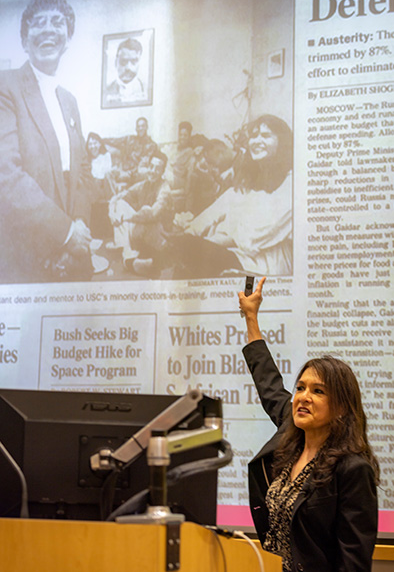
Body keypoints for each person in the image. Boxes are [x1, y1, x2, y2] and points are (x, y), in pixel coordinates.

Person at [238, 276, 379, 572]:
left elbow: (354, 560)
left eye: (318, 391)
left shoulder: (353, 469)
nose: (303, 397)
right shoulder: (291, 437)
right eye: (301, 387)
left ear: (341, 407)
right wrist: (251, 317)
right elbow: (269, 384)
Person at [0, 0, 93, 284]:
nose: (49, 29)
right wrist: (67, 232)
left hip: (61, 255)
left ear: (68, 39)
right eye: (39, 23)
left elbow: (82, 171)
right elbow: (2, 177)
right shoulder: (0, 85)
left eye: (57, 22)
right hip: (9, 255)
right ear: (25, 41)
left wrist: (80, 222)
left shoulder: (69, 101)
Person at [178, 114, 293, 276]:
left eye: (266, 136)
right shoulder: (250, 181)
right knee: (186, 251)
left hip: (268, 264)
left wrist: (214, 236)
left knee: (191, 253)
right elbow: (223, 204)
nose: (257, 140)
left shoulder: (291, 184)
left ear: (283, 142)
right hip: (240, 254)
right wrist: (192, 231)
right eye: (254, 136)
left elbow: (255, 236)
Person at [108, 152, 173, 277]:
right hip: (142, 233)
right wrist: (112, 213)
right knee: (120, 204)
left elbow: (152, 214)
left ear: (162, 172)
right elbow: (117, 197)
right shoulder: (143, 185)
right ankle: (129, 255)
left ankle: (130, 259)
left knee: (145, 209)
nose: (153, 171)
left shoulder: (165, 189)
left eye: (157, 169)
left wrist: (125, 218)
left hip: (160, 236)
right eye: (151, 167)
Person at [104, 38, 145, 105]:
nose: (128, 67)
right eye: (123, 61)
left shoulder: (146, 90)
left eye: (133, 61)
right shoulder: (106, 91)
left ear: (139, 63)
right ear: (115, 63)